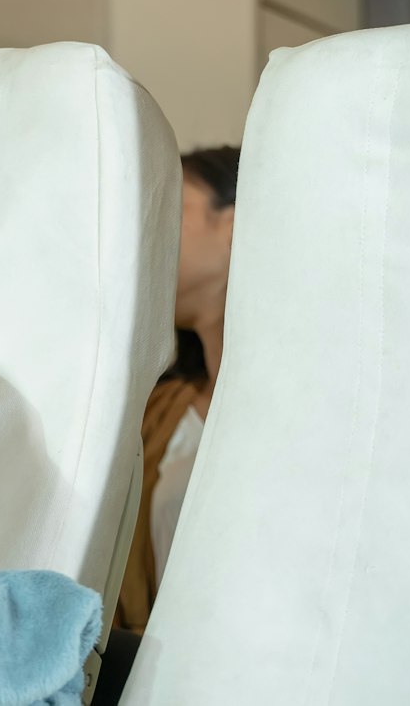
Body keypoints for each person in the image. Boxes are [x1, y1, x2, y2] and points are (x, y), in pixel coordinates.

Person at [114, 145, 239, 631]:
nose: (146, 233)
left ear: (235, 227)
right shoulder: (157, 414)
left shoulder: (317, 418)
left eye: (172, 209)